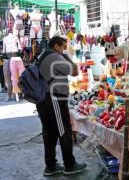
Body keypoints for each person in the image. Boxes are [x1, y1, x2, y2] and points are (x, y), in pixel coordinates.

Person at [36, 36, 86, 176]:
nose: (64, 49)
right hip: (54, 98)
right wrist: (67, 56)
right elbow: (75, 71)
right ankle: (69, 165)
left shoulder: (43, 54)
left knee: (49, 132)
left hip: (43, 99)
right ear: (56, 46)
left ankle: (50, 166)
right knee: (64, 130)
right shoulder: (55, 57)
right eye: (63, 46)